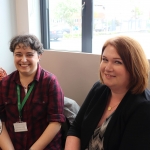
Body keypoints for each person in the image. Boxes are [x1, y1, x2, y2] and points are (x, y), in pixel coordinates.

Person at [65, 36, 150, 150]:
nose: (107, 68)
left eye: (117, 62)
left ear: (134, 67)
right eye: (105, 60)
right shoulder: (99, 89)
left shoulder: (143, 107)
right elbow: (76, 128)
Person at [0, 34, 65, 150]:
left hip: (44, 147)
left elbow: (56, 122)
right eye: (18, 54)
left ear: (39, 56)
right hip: (13, 144)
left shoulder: (50, 82)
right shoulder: (4, 84)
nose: (23, 60)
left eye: (29, 55)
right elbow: (1, 121)